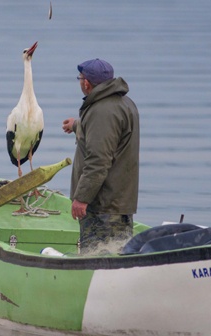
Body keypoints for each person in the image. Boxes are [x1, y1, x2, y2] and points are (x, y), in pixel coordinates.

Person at [61, 58, 140, 255]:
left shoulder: (101, 112)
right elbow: (108, 135)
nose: (80, 82)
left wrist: (81, 198)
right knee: (118, 258)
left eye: (80, 78)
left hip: (102, 207)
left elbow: (98, 161)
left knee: (98, 261)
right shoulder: (123, 103)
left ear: (86, 83)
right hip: (117, 203)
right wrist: (77, 125)